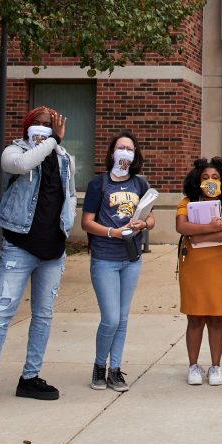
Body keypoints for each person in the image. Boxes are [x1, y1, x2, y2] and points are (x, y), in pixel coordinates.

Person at [0, 107, 76, 413]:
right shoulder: (15, 151)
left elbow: (70, 194)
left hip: (52, 250)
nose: (43, 128)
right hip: (19, 247)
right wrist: (52, 141)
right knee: (1, 315)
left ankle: (30, 377)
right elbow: (23, 164)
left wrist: (66, 224)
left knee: (43, 316)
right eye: (37, 124)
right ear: (27, 127)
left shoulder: (64, 159)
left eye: (48, 125)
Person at [80, 130, 156, 392]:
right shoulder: (98, 184)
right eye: (121, 147)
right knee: (110, 318)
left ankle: (115, 370)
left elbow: (152, 219)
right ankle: (99, 366)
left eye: (130, 149)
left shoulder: (140, 184)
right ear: (112, 152)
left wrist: (142, 223)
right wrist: (112, 232)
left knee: (123, 319)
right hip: (105, 258)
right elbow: (86, 222)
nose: (125, 152)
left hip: (131, 258)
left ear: (135, 155)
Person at [175, 157, 222, 386]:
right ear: (197, 180)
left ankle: (215, 366)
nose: (210, 180)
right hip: (193, 264)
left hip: (219, 264)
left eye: (215, 177)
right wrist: (212, 228)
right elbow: (181, 227)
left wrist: (199, 235)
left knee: (216, 316)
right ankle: (193, 366)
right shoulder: (187, 201)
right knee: (194, 317)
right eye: (205, 177)